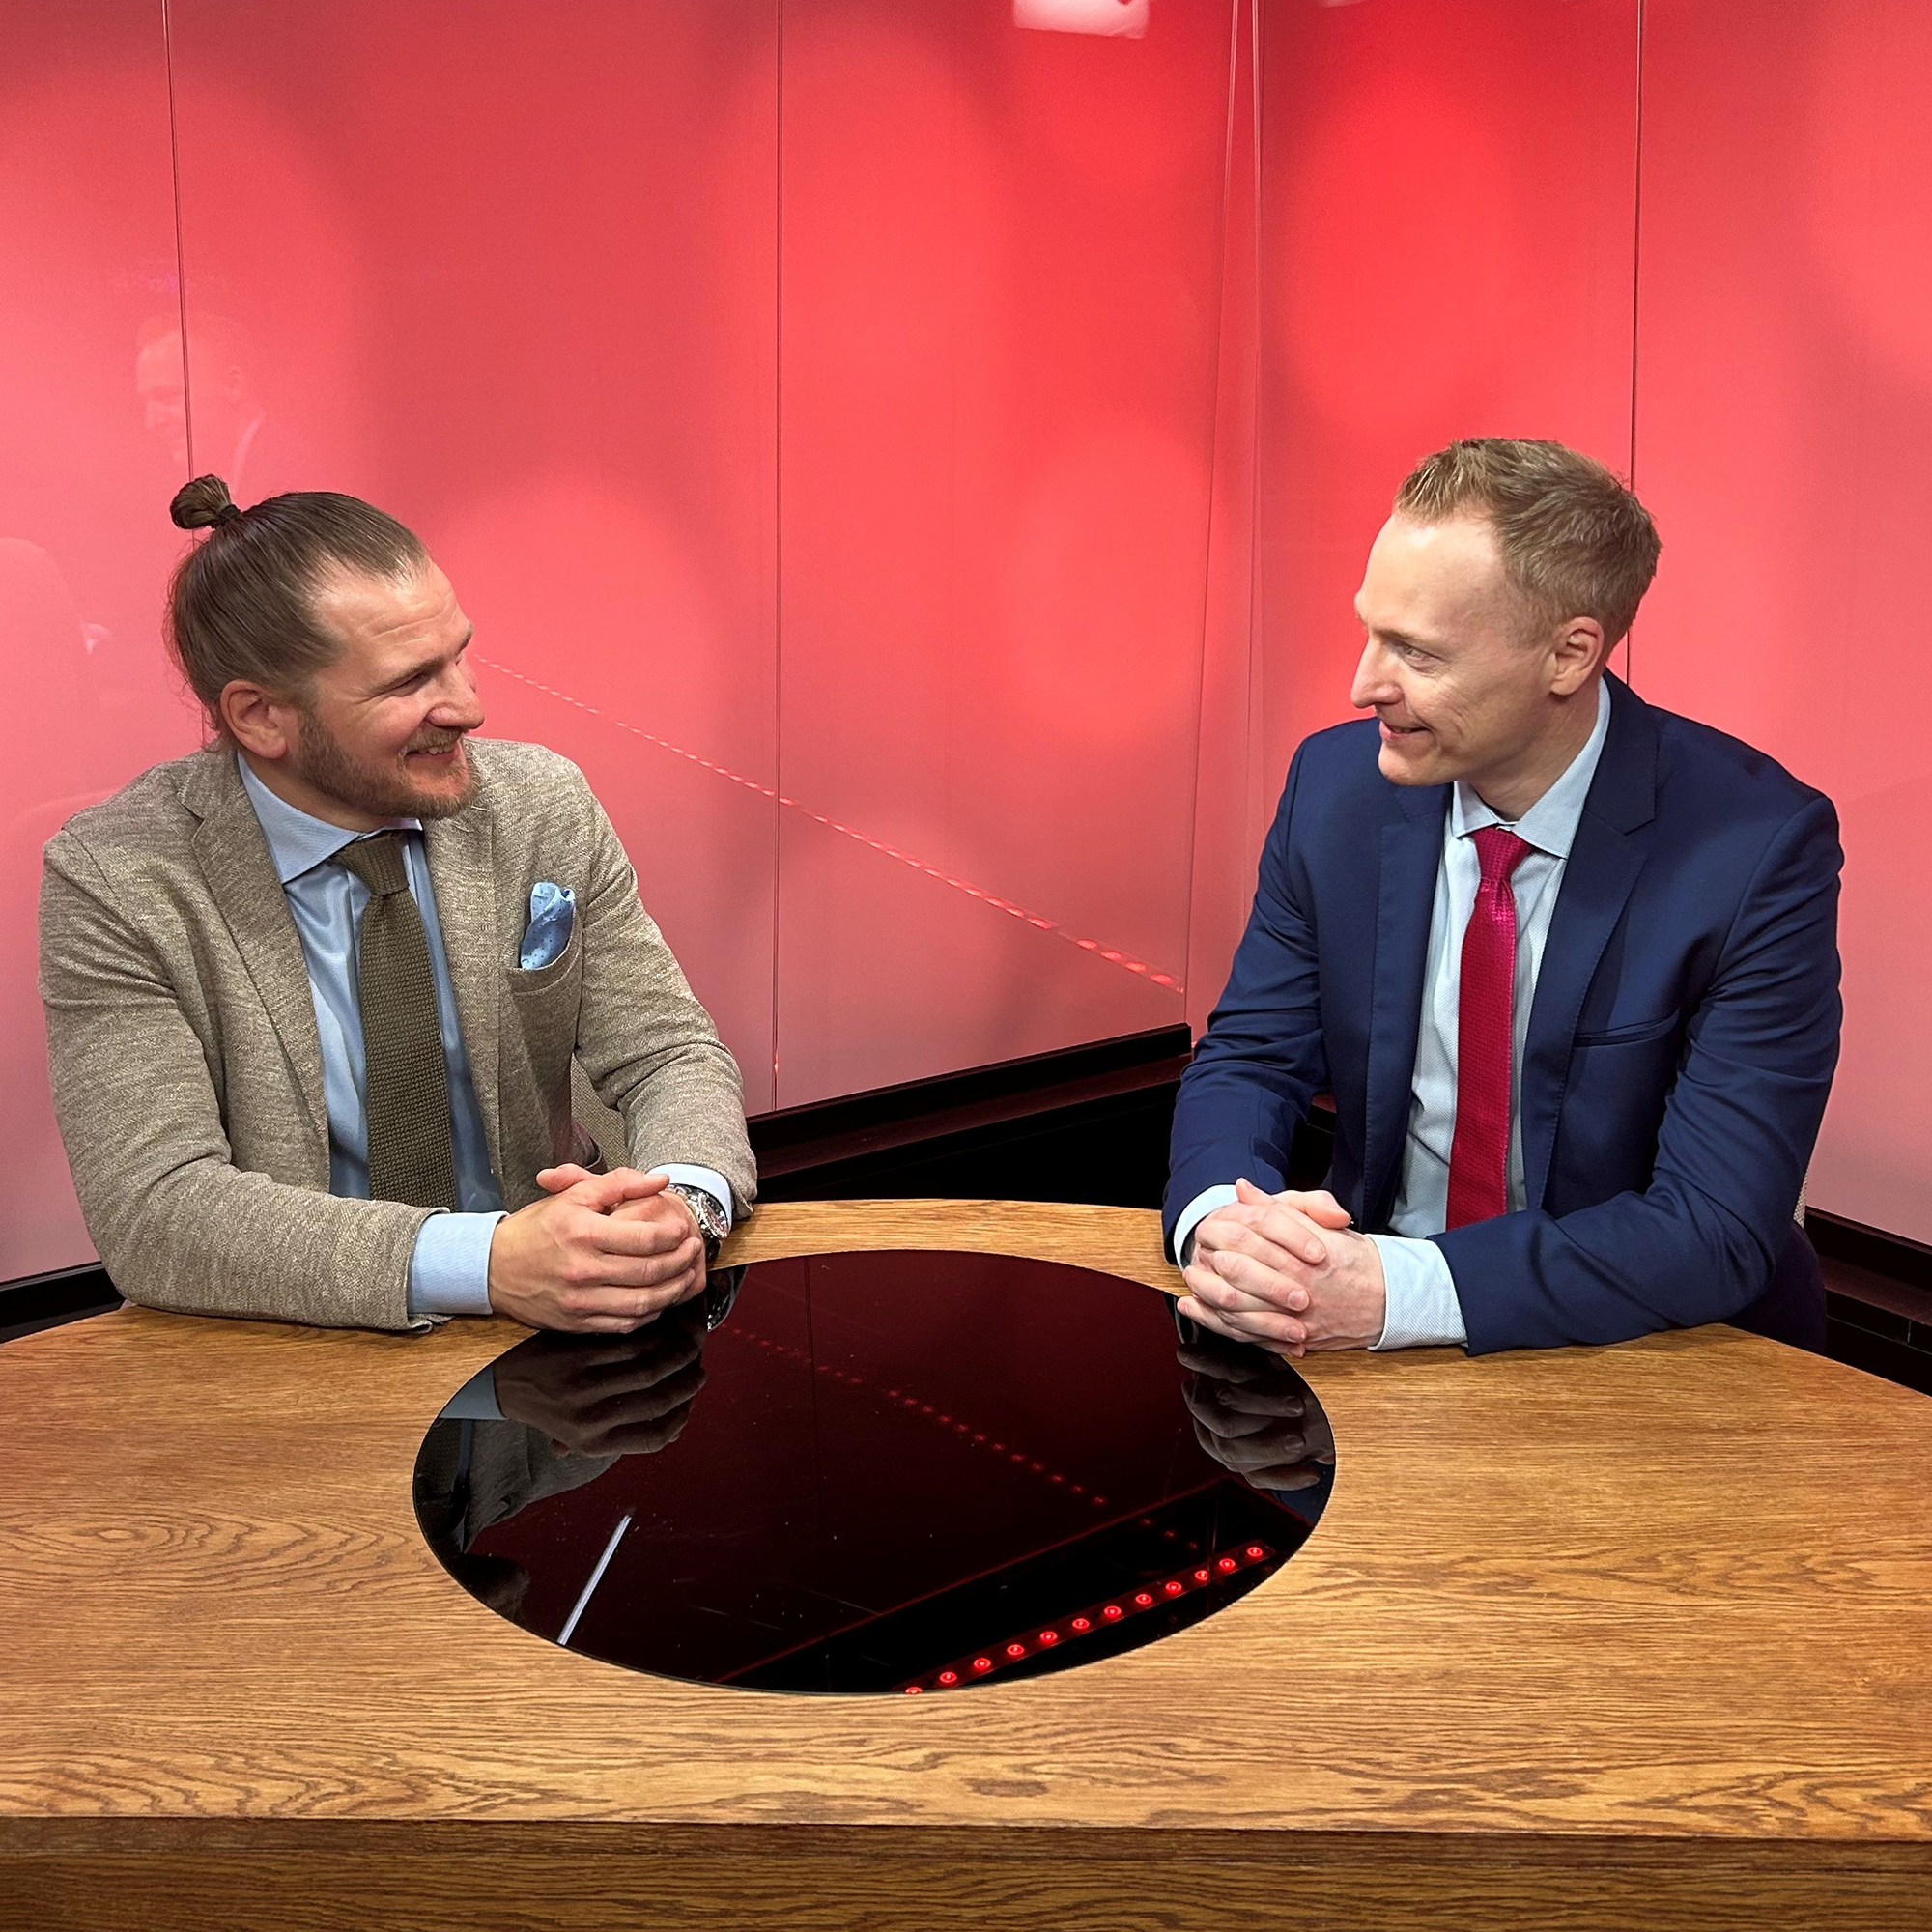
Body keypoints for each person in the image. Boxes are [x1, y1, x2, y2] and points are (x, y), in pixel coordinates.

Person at [1166, 438, 1841, 1357]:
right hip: (1348, 1318)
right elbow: (1251, 1057)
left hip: (1657, 1354)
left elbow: (1712, 1226)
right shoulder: (1333, 789)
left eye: (1417, 653)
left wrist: (1393, 1290)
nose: (1364, 685)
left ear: (1568, 655)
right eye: (1370, 631)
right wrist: (1224, 1225)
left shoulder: (1757, 849)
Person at [39, 476, 753, 1332]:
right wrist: (484, 1261)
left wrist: (685, 1200)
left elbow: (667, 1052)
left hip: (554, 1350)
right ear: (261, 717)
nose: (469, 707)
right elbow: (157, 1209)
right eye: (410, 681)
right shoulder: (117, 878)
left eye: (459, 654)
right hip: (288, 1352)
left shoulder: (539, 804)